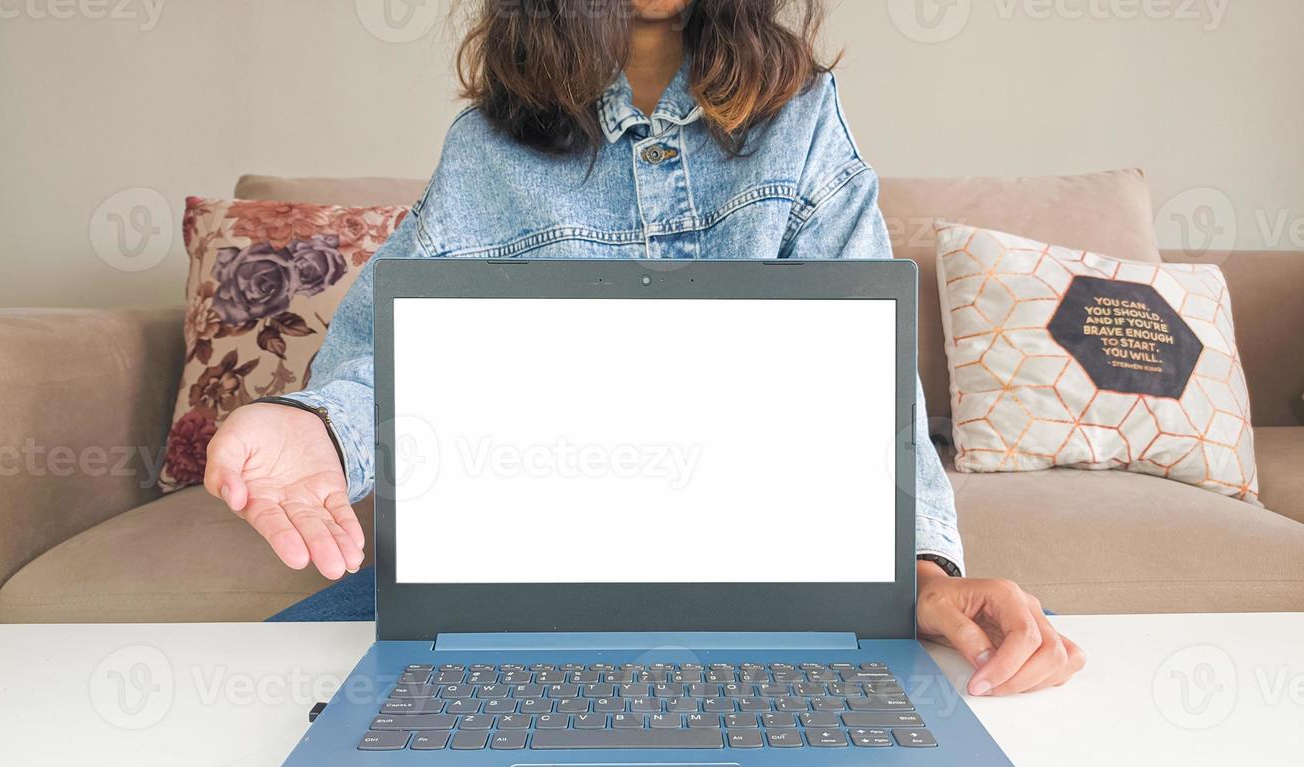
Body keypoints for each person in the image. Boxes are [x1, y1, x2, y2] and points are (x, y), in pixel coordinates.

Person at [204, 0, 1085, 697]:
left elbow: (873, 384)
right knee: (264, 696)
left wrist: (922, 571)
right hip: (520, 583)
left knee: (961, 691)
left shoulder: (805, 122)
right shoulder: (482, 153)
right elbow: (392, 355)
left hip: (768, 582)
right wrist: (312, 425)